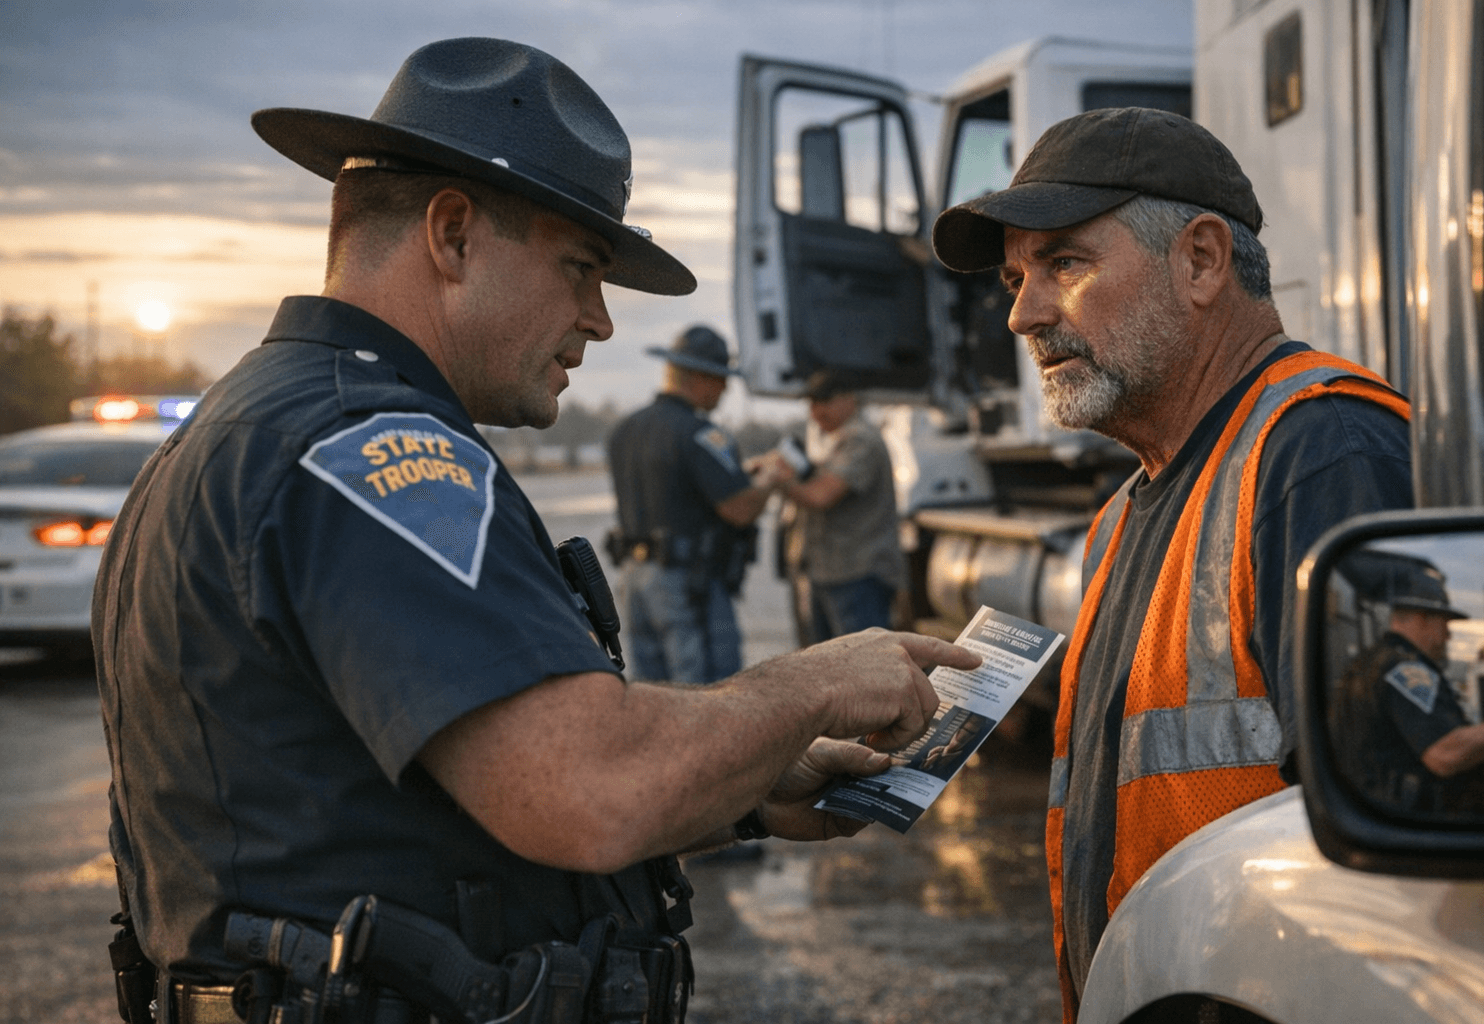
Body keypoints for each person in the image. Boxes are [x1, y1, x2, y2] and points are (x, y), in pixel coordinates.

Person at [92, 38, 982, 1024]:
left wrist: (746, 775)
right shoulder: (371, 448)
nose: (600, 321)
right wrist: (811, 685)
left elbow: (442, 781)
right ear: (454, 233)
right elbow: (588, 783)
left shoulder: (257, 424)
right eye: (580, 268)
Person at [930, 106, 1416, 1019]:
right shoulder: (1125, 514)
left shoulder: (1324, 452)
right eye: (1013, 276)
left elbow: (1398, 865)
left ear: (1200, 260)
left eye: (1064, 264)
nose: (1022, 313)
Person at [607, 326, 780, 683]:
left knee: (653, 693)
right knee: (709, 693)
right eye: (720, 379)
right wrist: (771, 480)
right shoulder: (701, 433)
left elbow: (672, 487)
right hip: (686, 584)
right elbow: (739, 508)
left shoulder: (625, 429)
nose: (725, 389)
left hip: (634, 581)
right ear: (699, 377)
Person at [1333, 564, 1484, 814]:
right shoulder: (1406, 669)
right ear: (1422, 619)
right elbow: (1446, 754)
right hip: (1415, 825)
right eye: (1445, 625)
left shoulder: (1371, 663)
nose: (1449, 636)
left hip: (1383, 816)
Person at [770, 368, 904, 642]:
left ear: (848, 398)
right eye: (811, 404)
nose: (815, 412)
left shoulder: (860, 440)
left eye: (823, 402)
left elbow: (821, 496)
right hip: (835, 575)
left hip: (857, 577)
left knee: (861, 670)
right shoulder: (839, 440)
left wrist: (779, 479)